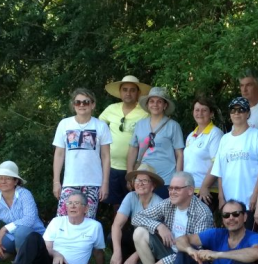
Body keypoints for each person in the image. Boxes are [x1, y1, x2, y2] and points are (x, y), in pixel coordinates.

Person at [0, 191, 106, 264]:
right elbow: (47, 247)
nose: (72, 206)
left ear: (86, 208)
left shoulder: (94, 226)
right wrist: (56, 254)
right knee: (34, 237)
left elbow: (98, 252)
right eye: (69, 203)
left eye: (77, 203)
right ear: (66, 206)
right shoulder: (57, 221)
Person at [131, 172, 213, 264]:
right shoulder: (168, 203)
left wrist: (163, 262)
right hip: (169, 249)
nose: (172, 192)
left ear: (190, 190)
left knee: (191, 253)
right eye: (171, 188)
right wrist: (159, 226)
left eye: (177, 188)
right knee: (139, 232)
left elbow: (197, 251)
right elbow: (136, 218)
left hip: (189, 260)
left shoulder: (202, 213)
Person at [211, 97, 258, 227]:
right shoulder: (224, 139)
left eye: (241, 110)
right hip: (229, 203)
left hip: (249, 202)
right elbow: (219, 170)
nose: (236, 113)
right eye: (233, 110)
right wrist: (221, 198)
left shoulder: (257, 135)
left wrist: (255, 195)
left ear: (248, 113)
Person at [52, 88, 111, 219]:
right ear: (73, 105)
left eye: (86, 102)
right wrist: (56, 182)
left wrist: (105, 183)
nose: (82, 105)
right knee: (63, 219)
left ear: (93, 104)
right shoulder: (64, 124)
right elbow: (59, 154)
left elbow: (106, 156)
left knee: (87, 220)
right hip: (70, 182)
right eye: (78, 102)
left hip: (93, 183)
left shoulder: (101, 126)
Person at [0, 161, 45, 264]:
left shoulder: (25, 194)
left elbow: (29, 219)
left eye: (8, 178)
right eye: (0, 178)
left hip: (34, 235)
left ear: (15, 181)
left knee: (21, 231)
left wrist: (5, 228)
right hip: (13, 237)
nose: (3, 181)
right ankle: (18, 258)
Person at [99, 75, 151, 206]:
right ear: (120, 92)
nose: (128, 93)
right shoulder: (111, 109)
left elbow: (150, 139)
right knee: (116, 204)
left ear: (138, 93)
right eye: (125, 89)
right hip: (111, 166)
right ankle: (117, 221)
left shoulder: (145, 112)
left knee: (136, 202)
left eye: (132, 90)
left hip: (135, 167)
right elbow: (98, 129)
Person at [127, 87, 184, 199]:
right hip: (143, 178)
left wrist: (177, 179)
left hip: (166, 178)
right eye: (152, 101)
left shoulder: (173, 126)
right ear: (148, 105)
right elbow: (133, 149)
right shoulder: (140, 124)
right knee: (143, 208)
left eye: (159, 101)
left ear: (165, 105)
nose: (155, 104)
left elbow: (179, 154)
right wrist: (130, 175)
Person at [109, 163, 163, 264]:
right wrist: (117, 252)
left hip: (153, 242)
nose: (140, 183)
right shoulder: (131, 196)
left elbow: (156, 238)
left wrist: (134, 257)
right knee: (112, 237)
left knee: (141, 236)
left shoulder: (159, 203)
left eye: (145, 181)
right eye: (137, 180)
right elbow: (116, 225)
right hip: (135, 237)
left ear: (153, 185)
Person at [184, 95, 223, 212]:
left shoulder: (215, 134)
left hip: (205, 191)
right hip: (189, 189)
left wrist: (205, 186)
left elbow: (217, 163)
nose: (199, 113)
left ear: (211, 113)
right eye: (197, 110)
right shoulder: (191, 135)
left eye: (204, 110)